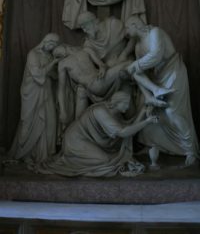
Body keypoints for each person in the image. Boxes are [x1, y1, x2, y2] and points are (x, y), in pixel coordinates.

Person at [125, 15, 199, 165]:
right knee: (152, 114)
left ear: (134, 25)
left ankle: (190, 151)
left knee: (173, 112)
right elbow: (141, 74)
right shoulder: (138, 46)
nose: (126, 32)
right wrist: (147, 95)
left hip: (173, 72)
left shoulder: (155, 32)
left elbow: (156, 56)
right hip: (158, 79)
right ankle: (155, 143)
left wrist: (135, 65)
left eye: (127, 27)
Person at [38, 91, 158, 177]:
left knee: (107, 159)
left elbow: (128, 128)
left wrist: (143, 112)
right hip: (76, 141)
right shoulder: (101, 112)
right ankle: (69, 159)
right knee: (104, 161)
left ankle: (80, 158)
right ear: (118, 102)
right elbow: (123, 133)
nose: (127, 107)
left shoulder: (115, 112)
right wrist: (147, 122)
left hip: (90, 141)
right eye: (126, 104)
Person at [8, 33, 60, 165]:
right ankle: (26, 154)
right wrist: (53, 63)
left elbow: (52, 75)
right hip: (32, 94)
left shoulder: (49, 56)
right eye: (51, 43)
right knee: (30, 123)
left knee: (49, 121)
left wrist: (59, 72)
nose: (52, 47)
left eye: (55, 45)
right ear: (45, 41)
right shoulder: (33, 54)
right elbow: (38, 74)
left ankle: (43, 154)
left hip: (47, 93)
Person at [53, 44, 130, 124]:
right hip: (92, 86)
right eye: (56, 54)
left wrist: (102, 68)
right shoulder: (63, 64)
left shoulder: (86, 50)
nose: (57, 53)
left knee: (126, 65)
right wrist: (63, 111)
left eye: (57, 50)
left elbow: (101, 64)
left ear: (65, 46)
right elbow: (61, 89)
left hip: (100, 80)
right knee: (127, 64)